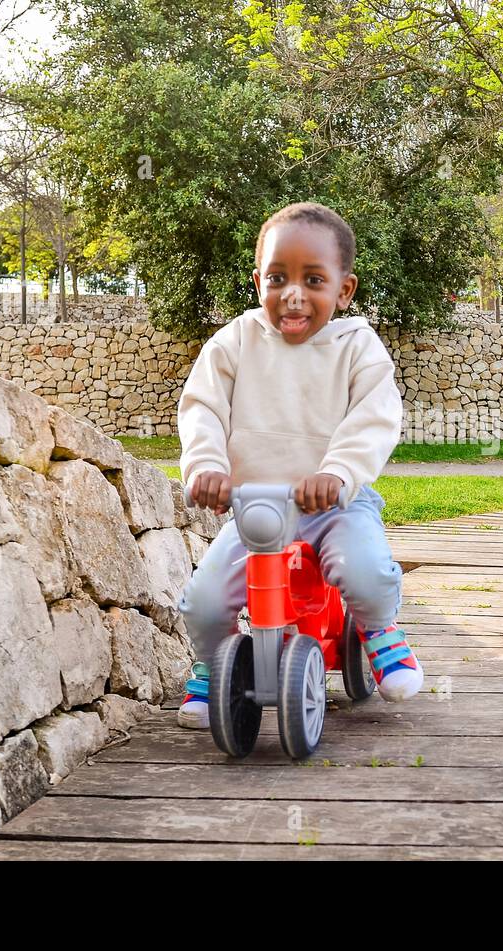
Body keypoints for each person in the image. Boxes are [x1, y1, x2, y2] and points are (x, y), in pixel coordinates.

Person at [174, 201, 423, 729]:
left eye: (313, 279)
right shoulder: (235, 341)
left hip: (335, 504)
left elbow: (374, 418)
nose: (293, 293)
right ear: (257, 280)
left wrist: (337, 473)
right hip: (255, 508)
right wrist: (206, 466)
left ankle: (379, 631)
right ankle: (214, 664)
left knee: (366, 571)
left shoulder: (357, 346)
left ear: (344, 288)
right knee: (203, 599)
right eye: (277, 277)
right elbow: (203, 408)